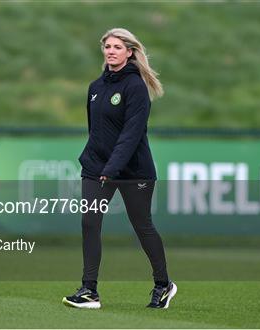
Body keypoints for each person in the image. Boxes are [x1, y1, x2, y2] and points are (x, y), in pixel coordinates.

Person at [62, 28, 176, 309]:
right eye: (107, 46)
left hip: (133, 171)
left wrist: (112, 167)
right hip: (98, 169)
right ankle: (89, 291)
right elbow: (95, 131)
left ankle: (163, 284)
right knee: (89, 222)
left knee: (142, 226)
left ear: (130, 52)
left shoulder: (135, 87)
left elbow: (131, 133)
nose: (111, 51)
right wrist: (94, 162)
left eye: (117, 47)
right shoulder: (95, 88)